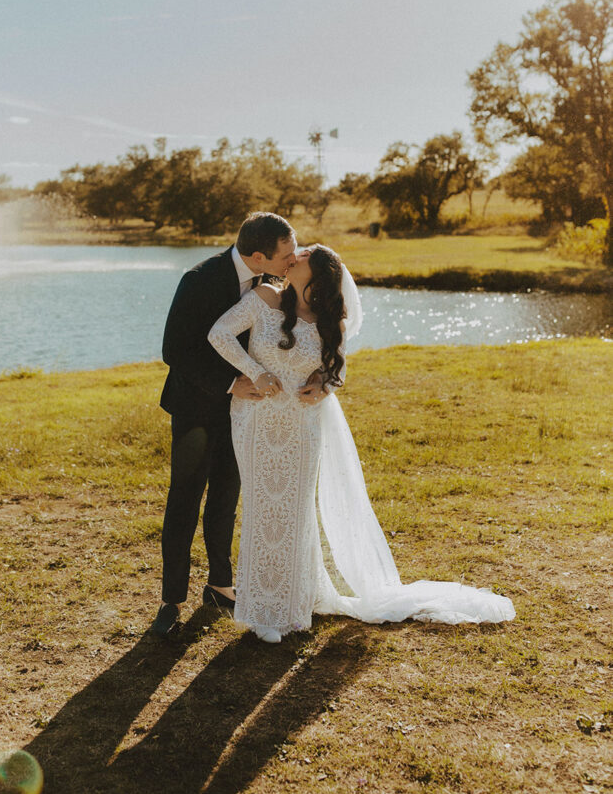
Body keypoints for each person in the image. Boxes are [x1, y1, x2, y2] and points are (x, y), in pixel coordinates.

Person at [207, 244, 516, 643]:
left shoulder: (329, 320)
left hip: (302, 426)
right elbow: (219, 334)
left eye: (300, 255)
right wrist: (252, 372)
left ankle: (291, 605)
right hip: (255, 421)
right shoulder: (264, 298)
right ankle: (263, 608)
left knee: (296, 511)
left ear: (315, 277)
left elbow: (337, 371)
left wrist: (322, 384)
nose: (292, 256)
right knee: (264, 506)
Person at [150, 212, 298, 636]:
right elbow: (174, 349)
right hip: (196, 410)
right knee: (185, 499)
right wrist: (232, 382)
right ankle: (171, 599)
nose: (292, 260)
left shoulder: (272, 284)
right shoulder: (198, 280)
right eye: (286, 254)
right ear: (258, 255)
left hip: (244, 413)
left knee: (225, 498)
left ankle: (219, 584)